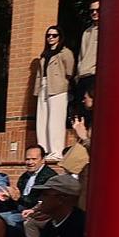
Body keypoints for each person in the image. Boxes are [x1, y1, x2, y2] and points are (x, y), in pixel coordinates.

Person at [33, 24, 77, 159]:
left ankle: (57, 151)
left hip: (58, 87)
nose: (51, 38)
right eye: (48, 35)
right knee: (42, 119)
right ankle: (44, 149)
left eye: (54, 35)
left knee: (55, 119)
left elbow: (69, 71)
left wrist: (63, 83)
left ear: (60, 37)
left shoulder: (65, 52)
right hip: (44, 86)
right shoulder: (44, 54)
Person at [76, 0, 99, 104]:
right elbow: (82, 54)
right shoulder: (87, 32)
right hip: (83, 75)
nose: (94, 13)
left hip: (95, 75)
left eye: (97, 10)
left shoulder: (109, 28)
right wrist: (78, 73)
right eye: (92, 11)